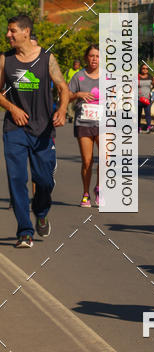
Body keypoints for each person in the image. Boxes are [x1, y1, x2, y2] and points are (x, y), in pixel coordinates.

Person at [0, 13, 68, 247]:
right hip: (14, 129)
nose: (8, 35)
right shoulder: (4, 60)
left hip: (43, 129)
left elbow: (62, 87)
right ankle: (25, 231)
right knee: (17, 180)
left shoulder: (47, 59)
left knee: (44, 180)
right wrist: (12, 108)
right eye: (8, 31)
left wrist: (62, 109)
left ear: (25, 31)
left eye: (12, 31)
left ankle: (41, 211)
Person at [68, 45, 100, 207]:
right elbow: (66, 97)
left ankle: (99, 188)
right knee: (87, 161)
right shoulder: (78, 77)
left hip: (104, 123)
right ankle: (86, 193)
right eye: (91, 56)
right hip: (84, 123)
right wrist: (78, 95)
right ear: (86, 57)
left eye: (97, 56)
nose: (94, 59)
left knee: (106, 159)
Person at [138, 63, 154, 132]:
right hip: (138, 99)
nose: (145, 70)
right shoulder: (137, 77)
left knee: (148, 113)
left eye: (147, 69)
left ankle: (148, 127)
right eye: (143, 68)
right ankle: (138, 127)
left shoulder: (150, 77)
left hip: (147, 98)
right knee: (139, 114)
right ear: (141, 69)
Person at [66, 58, 82, 123]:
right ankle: (70, 116)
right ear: (73, 65)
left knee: (75, 104)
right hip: (69, 90)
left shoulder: (80, 72)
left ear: (79, 66)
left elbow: (81, 81)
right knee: (69, 103)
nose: (76, 66)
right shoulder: (68, 71)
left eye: (77, 65)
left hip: (76, 91)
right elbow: (64, 79)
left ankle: (73, 115)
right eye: (75, 65)